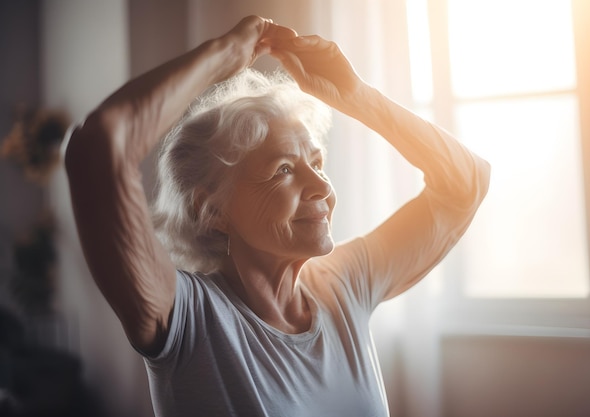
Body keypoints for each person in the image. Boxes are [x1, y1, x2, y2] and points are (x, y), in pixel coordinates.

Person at [64, 16, 490, 417]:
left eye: (317, 163)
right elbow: (97, 147)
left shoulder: (343, 284)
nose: (322, 188)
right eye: (284, 169)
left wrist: (357, 96)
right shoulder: (189, 318)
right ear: (210, 210)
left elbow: (466, 183)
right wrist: (221, 57)